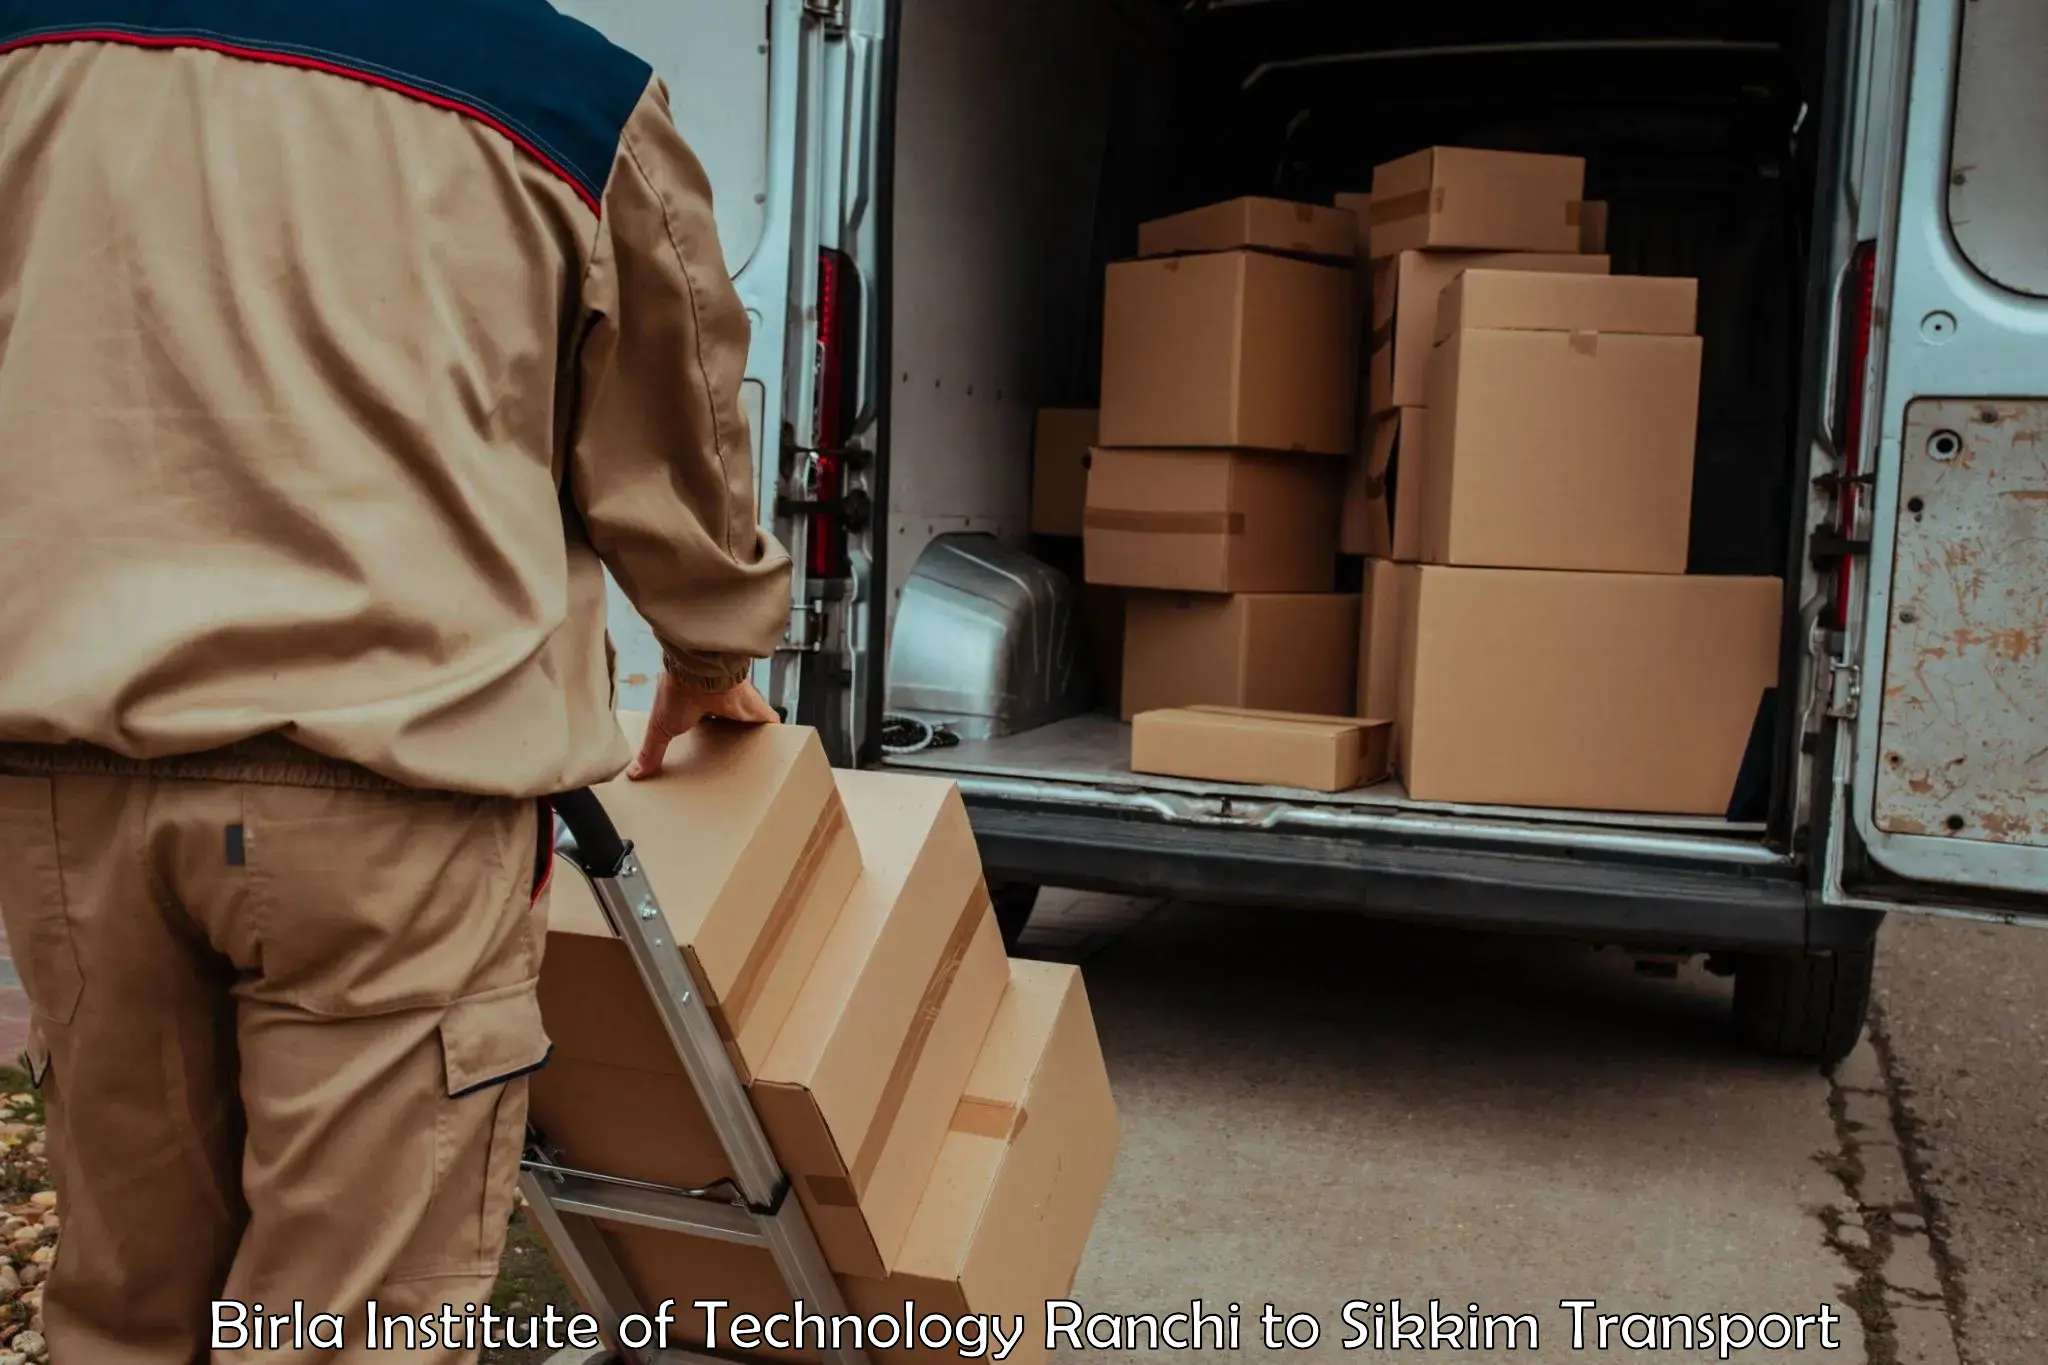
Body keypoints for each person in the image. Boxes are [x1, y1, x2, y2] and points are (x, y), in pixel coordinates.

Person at [0, 2, 792, 1359]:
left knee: (126, 1306)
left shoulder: (31, 51)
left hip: (72, 797)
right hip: (391, 805)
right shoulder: (566, 99)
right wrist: (711, 649)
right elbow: (680, 431)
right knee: (339, 1324)